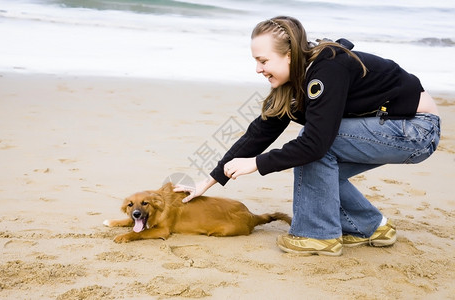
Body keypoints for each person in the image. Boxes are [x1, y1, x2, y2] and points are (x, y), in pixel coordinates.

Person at [174, 16, 440, 256]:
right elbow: (260, 132)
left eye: (263, 61)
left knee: (313, 145)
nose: (258, 69)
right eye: (255, 61)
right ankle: (372, 228)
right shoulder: (295, 81)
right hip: (392, 128)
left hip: (415, 130)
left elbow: (315, 144)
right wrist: (208, 181)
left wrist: (257, 163)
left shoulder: (326, 71)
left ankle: (318, 236)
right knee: (317, 161)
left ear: (289, 55)